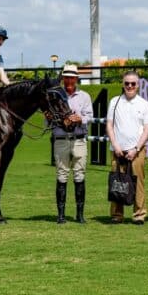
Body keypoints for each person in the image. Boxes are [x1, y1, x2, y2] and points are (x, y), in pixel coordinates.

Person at [106, 71, 148, 225]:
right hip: (118, 150)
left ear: (138, 85)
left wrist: (136, 149)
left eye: (133, 83)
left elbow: (147, 130)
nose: (130, 86)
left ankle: (139, 214)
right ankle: (117, 214)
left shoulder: (144, 104)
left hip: (137, 151)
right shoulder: (115, 102)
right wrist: (115, 145)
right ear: (123, 84)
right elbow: (109, 125)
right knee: (117, 182)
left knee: (138, 182)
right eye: (127, 83)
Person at [50, 64, 93, 224]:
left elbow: (90, 116)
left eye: (72, 77)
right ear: (63, 78)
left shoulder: (84, 96)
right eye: (66, 77)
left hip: (79, 140)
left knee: (79, 175)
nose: (69, 80)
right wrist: (62, 119)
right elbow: (47, 119)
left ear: (76, 79)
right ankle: (61, 215)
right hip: (61, 139)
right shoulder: (54, 95)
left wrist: (80, 118)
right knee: (61, 176)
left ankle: (79, 214)